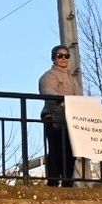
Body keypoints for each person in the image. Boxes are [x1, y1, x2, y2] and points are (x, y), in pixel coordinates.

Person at [39, 44, 80, 186]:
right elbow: (47, 91)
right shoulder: (48, 76)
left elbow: (79, 97)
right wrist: (65, 100)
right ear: (53, 58)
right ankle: (54, 181)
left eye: (66, 56)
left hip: (70, 119)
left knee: (70, 151)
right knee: (56, 149)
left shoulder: (72, 79)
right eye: (60, 56)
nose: (63, 58)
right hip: (54, 117)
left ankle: (68, 181)